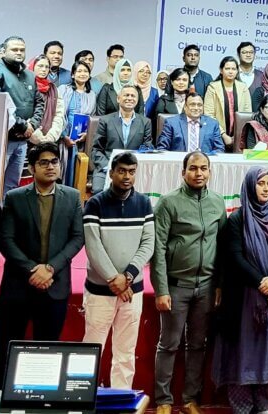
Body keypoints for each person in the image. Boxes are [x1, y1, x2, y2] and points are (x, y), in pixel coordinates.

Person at [0, 142, 85, 388]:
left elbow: (77, 238)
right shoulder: (15, 198)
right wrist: (33, 269)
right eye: (43, 162)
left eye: (54, 161)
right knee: (8, 350)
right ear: (32, 168)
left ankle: (40, 401)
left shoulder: (73, 196)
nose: (50, 167)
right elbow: (6, 239)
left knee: (47, 351)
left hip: (55, 286)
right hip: (18, 286)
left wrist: (51, 268)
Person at [213, 166, 268, 414]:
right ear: (250, 186)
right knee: (246, 351)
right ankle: (242, 406)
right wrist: (264, 284)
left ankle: (262, 405)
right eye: (260, 183)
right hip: (247, 298)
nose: (265, 188)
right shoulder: (238, 219)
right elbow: (236, 257)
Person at [152, 151, 226, 414]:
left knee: (197, 344)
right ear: (183, 172)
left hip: (206, 286)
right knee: (169, 344)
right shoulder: (168, 202)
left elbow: (222, 247)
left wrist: (218, 284)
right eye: (193, 168)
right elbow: (158, 248)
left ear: (209, 171)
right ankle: (163, 399)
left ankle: (190, 399)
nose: (199, 173)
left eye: (204, 168)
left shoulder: (217, 202)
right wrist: (161, 289)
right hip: (176, 285)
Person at [82, 151, 154, 390]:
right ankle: (84, 401)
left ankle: (120, 402)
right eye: (121, 171)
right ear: (111, 173)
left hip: (132, 292)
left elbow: (148, 244)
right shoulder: (95, 203)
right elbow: (93, 246)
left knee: (125, 352)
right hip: (101, 292)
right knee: (91, 351)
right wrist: (115, 279)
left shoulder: (144, 203)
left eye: (131, 172)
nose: (126, 176)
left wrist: (128, 277)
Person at [0, 36, 45, 194]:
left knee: (12, 185)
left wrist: (32, 124)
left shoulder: (30, 75)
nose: (19, 53)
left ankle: (6, 216)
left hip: (23, 141)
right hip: (4, 139)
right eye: (14, 49)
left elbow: (39, 102)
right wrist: (23, 125)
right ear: (4, 52)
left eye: (22, 50)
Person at [92, 85, 152, 191]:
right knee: (98, 191)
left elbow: (147, 148)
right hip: (107, 168)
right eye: (126, 95)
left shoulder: (145, 122)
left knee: (144, 192)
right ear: (118, 99)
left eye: (133, 96)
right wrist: (109, 167)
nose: (129, 98)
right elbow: (96, 150)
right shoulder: (105, 120)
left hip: (133, 170)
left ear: (137, 100)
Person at [57, 60, 97, 185]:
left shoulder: (92, 95)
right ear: (73, 74)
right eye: (79, 71)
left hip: (83, 139)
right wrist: (64, 136)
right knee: (63, 167)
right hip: (64, 136)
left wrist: (87, 134)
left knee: (79, 170)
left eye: (85, 71)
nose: (82, 74)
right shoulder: (64, 89)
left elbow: (93, 117)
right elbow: (58, 114)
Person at [204, 56, 252, 151]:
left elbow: (247, 114)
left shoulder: (243, 88)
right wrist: (224, 135)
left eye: (233, 69)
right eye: (227, 68)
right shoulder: (212, 87)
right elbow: (208, 115)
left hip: (240, 137)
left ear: (237, 71)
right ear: (221, 70)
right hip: (216, 136)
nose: (231, 71)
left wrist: (237, 136)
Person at [157, 94, 222, 153]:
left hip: (204, 164)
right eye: (192, 104)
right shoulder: (171, 123)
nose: (196, 108)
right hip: (179, 163)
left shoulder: (212, 124)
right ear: (185, 107)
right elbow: (162, 149)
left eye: (199, 105)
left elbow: (219, 149)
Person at [28, 55, 66, 146]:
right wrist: (37, 136)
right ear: (32, 66)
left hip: (49, 141)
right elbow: (22, 112)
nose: (44, 69)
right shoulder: (25, 86)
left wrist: (51, 136)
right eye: (40, 66)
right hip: (27, 137)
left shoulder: (53, 89)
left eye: (47, 67)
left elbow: (59, 115)